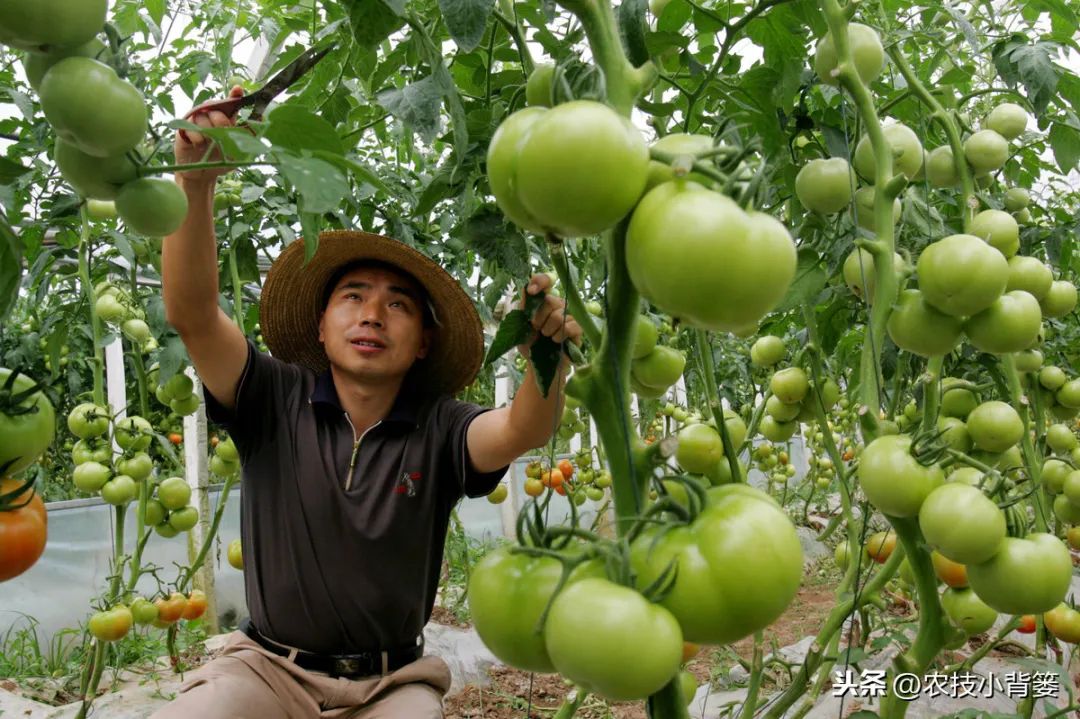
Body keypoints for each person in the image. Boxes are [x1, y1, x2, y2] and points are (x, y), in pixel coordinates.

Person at [151, 90, 583, 718]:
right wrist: (195, 184)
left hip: (392, 682)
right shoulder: (271, 397)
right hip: (269, 670)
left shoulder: (441, 426)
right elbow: (191, 313)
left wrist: (545, 357)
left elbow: (523, 428)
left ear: (422, 344)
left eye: (399, 305)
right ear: (321, 326)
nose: (373, 315)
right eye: (352, 296)